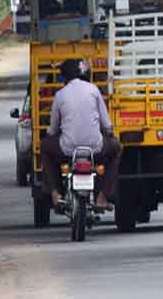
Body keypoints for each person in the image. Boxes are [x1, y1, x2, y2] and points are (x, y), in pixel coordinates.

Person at [41, 59, 121, 210]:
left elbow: (52, 130)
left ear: (64, 77)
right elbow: (107, 124)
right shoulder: (94, 90)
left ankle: (55, 193)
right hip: (95, 148)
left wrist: (52, 134)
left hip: (68, 149)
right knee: (116, 148)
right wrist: (109, 133)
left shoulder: (60, 95)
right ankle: (103, 196)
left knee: (45, 147)